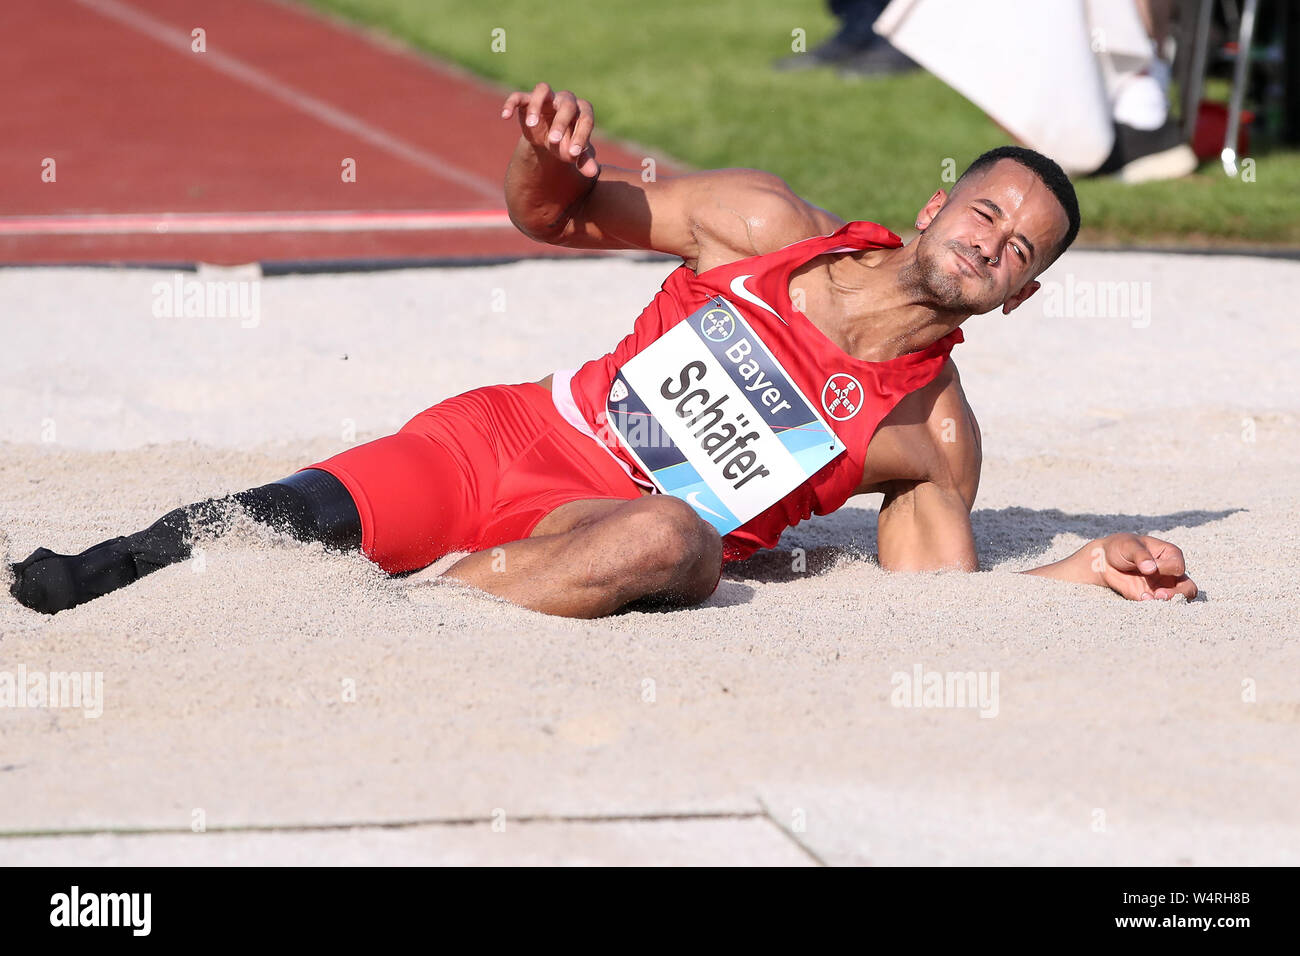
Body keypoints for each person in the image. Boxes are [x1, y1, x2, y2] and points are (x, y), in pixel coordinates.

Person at [8, 83, 1199, 620]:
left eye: (1020, 252)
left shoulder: (932, 437)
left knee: (672, 531)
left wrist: (1077, 570)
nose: (993, 245)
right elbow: (554, 215)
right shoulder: (760, 227)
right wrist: (549, 154)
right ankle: (92, 574)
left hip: (626, 538)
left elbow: (939, 610)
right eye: (986, 215)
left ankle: (429, 618)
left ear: (1020, 299)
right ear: (938, 207)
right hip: (514, 438)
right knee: (271, 519)